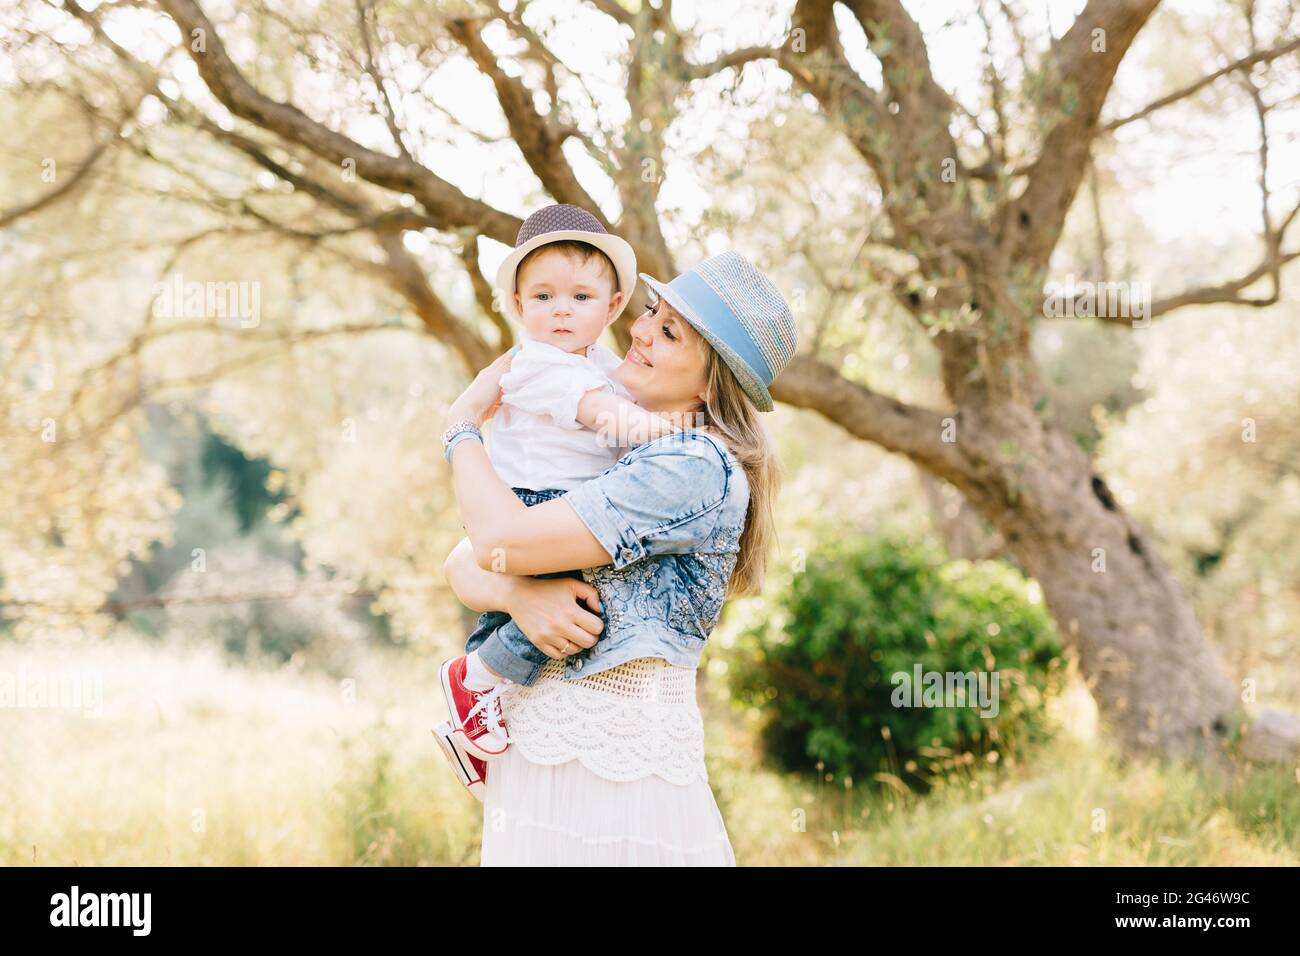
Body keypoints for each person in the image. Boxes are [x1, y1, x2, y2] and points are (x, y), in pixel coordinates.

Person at [441, 249, 798, 865]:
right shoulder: (615, 449)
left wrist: (462, 426)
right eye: (650, 312)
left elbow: (499, 544)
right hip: (547, 749)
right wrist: (519, 595)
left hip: (614, 768)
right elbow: (464, 560)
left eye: (668, 332)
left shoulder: (692, 464)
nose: (638, 330)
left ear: (712, 380)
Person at [432, 203, 692, 783]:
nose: (561, 312)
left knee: (559, 615)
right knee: (569, 606)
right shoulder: (536, 364)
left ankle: (475, 717)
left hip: (565, 499)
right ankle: (475, 681)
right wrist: (671, 435)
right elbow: (597, 415)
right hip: (534, 498)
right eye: (543, 298)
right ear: (520, 307)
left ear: (613, 306)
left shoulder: (600, 363)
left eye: (579, 298)